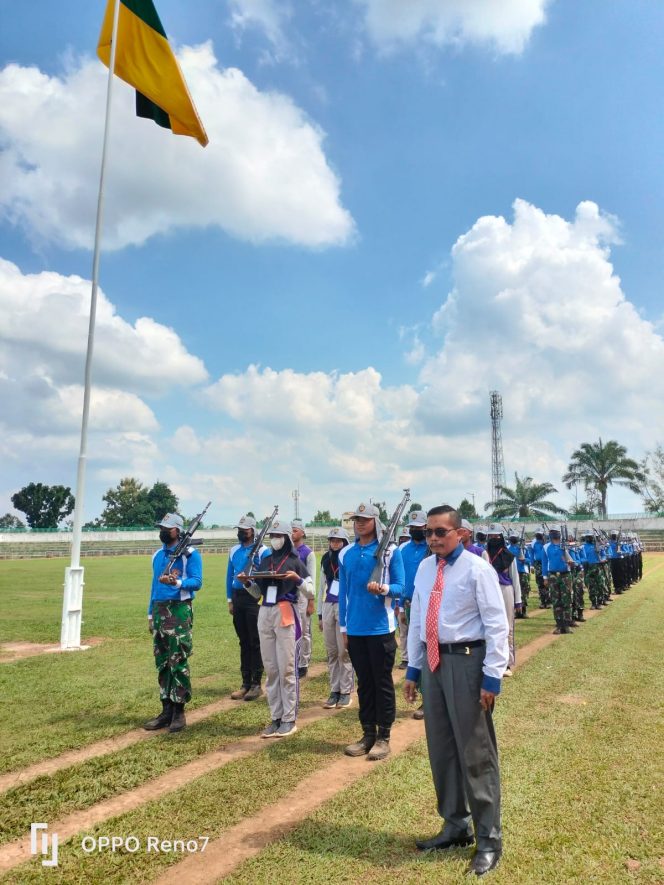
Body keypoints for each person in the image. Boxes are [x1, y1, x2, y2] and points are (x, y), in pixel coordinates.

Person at [405, 505, 508, 877]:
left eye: (441, 532)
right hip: (434, 663)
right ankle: (455, 825)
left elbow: (496, 623)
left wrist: (492, 676)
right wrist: (413, 668)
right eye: (429, 532)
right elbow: (418, 618)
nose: (433, 538)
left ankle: (489, 839)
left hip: (467, 662)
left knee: (475, 752)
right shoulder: (424, 568)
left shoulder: (477, 569)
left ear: (460, 533)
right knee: (442, 748)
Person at [339, 502, 405, 761]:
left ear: (376, 522)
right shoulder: (346, 553)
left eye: (365, 519)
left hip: (380, 629)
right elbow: (343, 595)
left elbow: (401, 587)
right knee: (364, 685)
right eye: (357, 519)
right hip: (355, 629)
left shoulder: (390, 551)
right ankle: (367, 733)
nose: (360, 523)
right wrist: (344, 628)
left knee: (382, 683)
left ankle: (383, 736)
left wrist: (384, 589)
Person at [239, 518, 312, 738]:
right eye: (272, 536)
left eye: (279, 535)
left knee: (287, 668)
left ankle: (289, 718)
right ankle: (275, 717)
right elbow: (257, 593)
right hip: (265, 611)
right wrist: (247, 583)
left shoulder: (295, 561)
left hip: (286, 611)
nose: (275, 539)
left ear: (287, 537)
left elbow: (310, 590)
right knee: (271, 668)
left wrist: (297, 580)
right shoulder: (266, 561)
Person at [144, 513, 203, 734]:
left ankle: (179, 711)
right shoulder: (157, 555)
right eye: (161, 528)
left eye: (166, 528)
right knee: (162, 662)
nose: (162, 532)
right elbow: (154, 586)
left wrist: (176, 582)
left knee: (177, 660)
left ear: (177, 530)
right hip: (159, 610)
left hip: (178, 610)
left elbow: (197, 582)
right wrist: (150, 614)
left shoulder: (190, 555)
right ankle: (166, 709)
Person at [226, 514, 267, 701]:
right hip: (238, 597)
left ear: (253, 531)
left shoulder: (263, 551)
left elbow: (264, 577)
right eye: (239, 530)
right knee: (243, 641)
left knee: (255, 641)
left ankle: (256, 683)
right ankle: (245, 682)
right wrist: (230, 599)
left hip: (253, 598)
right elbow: (229, 576)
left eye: (245, 530)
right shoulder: (234, 550)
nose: (241, 533)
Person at [317, 527, 353, 708]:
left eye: (338, 540)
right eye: (332, 540)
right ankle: (334, 690)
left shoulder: (350, 558)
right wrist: (319, 613)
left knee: (344, 651)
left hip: (344, 606)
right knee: (331, 652)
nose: (335, 543)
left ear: (345, 542)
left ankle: (346, 691)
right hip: (328, 605)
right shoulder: (326, 558)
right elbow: (321, 586)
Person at [482, 525, 520, 676]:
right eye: (491, 536)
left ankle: (507, 663)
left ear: (501, 537)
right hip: (489, 590)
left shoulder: (509, 555)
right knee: (489, 626)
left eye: (496, 536)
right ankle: (490, 661)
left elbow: (515, 578)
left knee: (508, 627)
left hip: (505, 590)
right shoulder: (484, 554)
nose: (493, 539)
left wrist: (518, 600)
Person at [291, 518, 317, 677]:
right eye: (291, 530)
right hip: (289, 595)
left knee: (304, 630)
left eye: (295, 530)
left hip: (303, 594)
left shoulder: (308, 553)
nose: (292, 533)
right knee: (292, 629)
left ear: (302, 533)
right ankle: (293, 659)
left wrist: (311, 601)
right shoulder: (288, 551)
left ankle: (303, 662)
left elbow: (311, 578)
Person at [541, 527, 573, 634]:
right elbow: (544, 563)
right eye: (552, 532)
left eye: (556, 532)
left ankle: (567, 625)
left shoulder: (566, 546)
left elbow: (575, 559)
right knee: (556, 601)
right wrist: (545, 578)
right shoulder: (545, 547)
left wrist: (572, 562)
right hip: (553, 575)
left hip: (565, 575)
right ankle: (559, 625)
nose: (554, 534)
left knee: (567, 599)